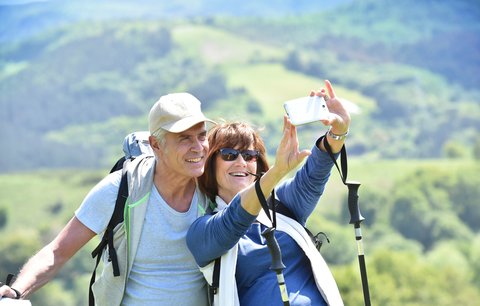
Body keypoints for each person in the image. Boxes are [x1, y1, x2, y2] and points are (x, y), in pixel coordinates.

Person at [0, 92, 216, 306]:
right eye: (184, 138)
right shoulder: (121, 189)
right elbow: (58, 252)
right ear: (155, 145)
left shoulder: (213, 191)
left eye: (201, 135)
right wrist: (17, 291)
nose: (198, 147)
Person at [187, 80, 349, 306]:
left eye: (250, 155)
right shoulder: (203, 231)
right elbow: (235, 218)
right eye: (229, 154)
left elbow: (315, 174)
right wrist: (277, 171)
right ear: (210, 165)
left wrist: (337, 132)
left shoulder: (281, 206)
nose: (241, 162)